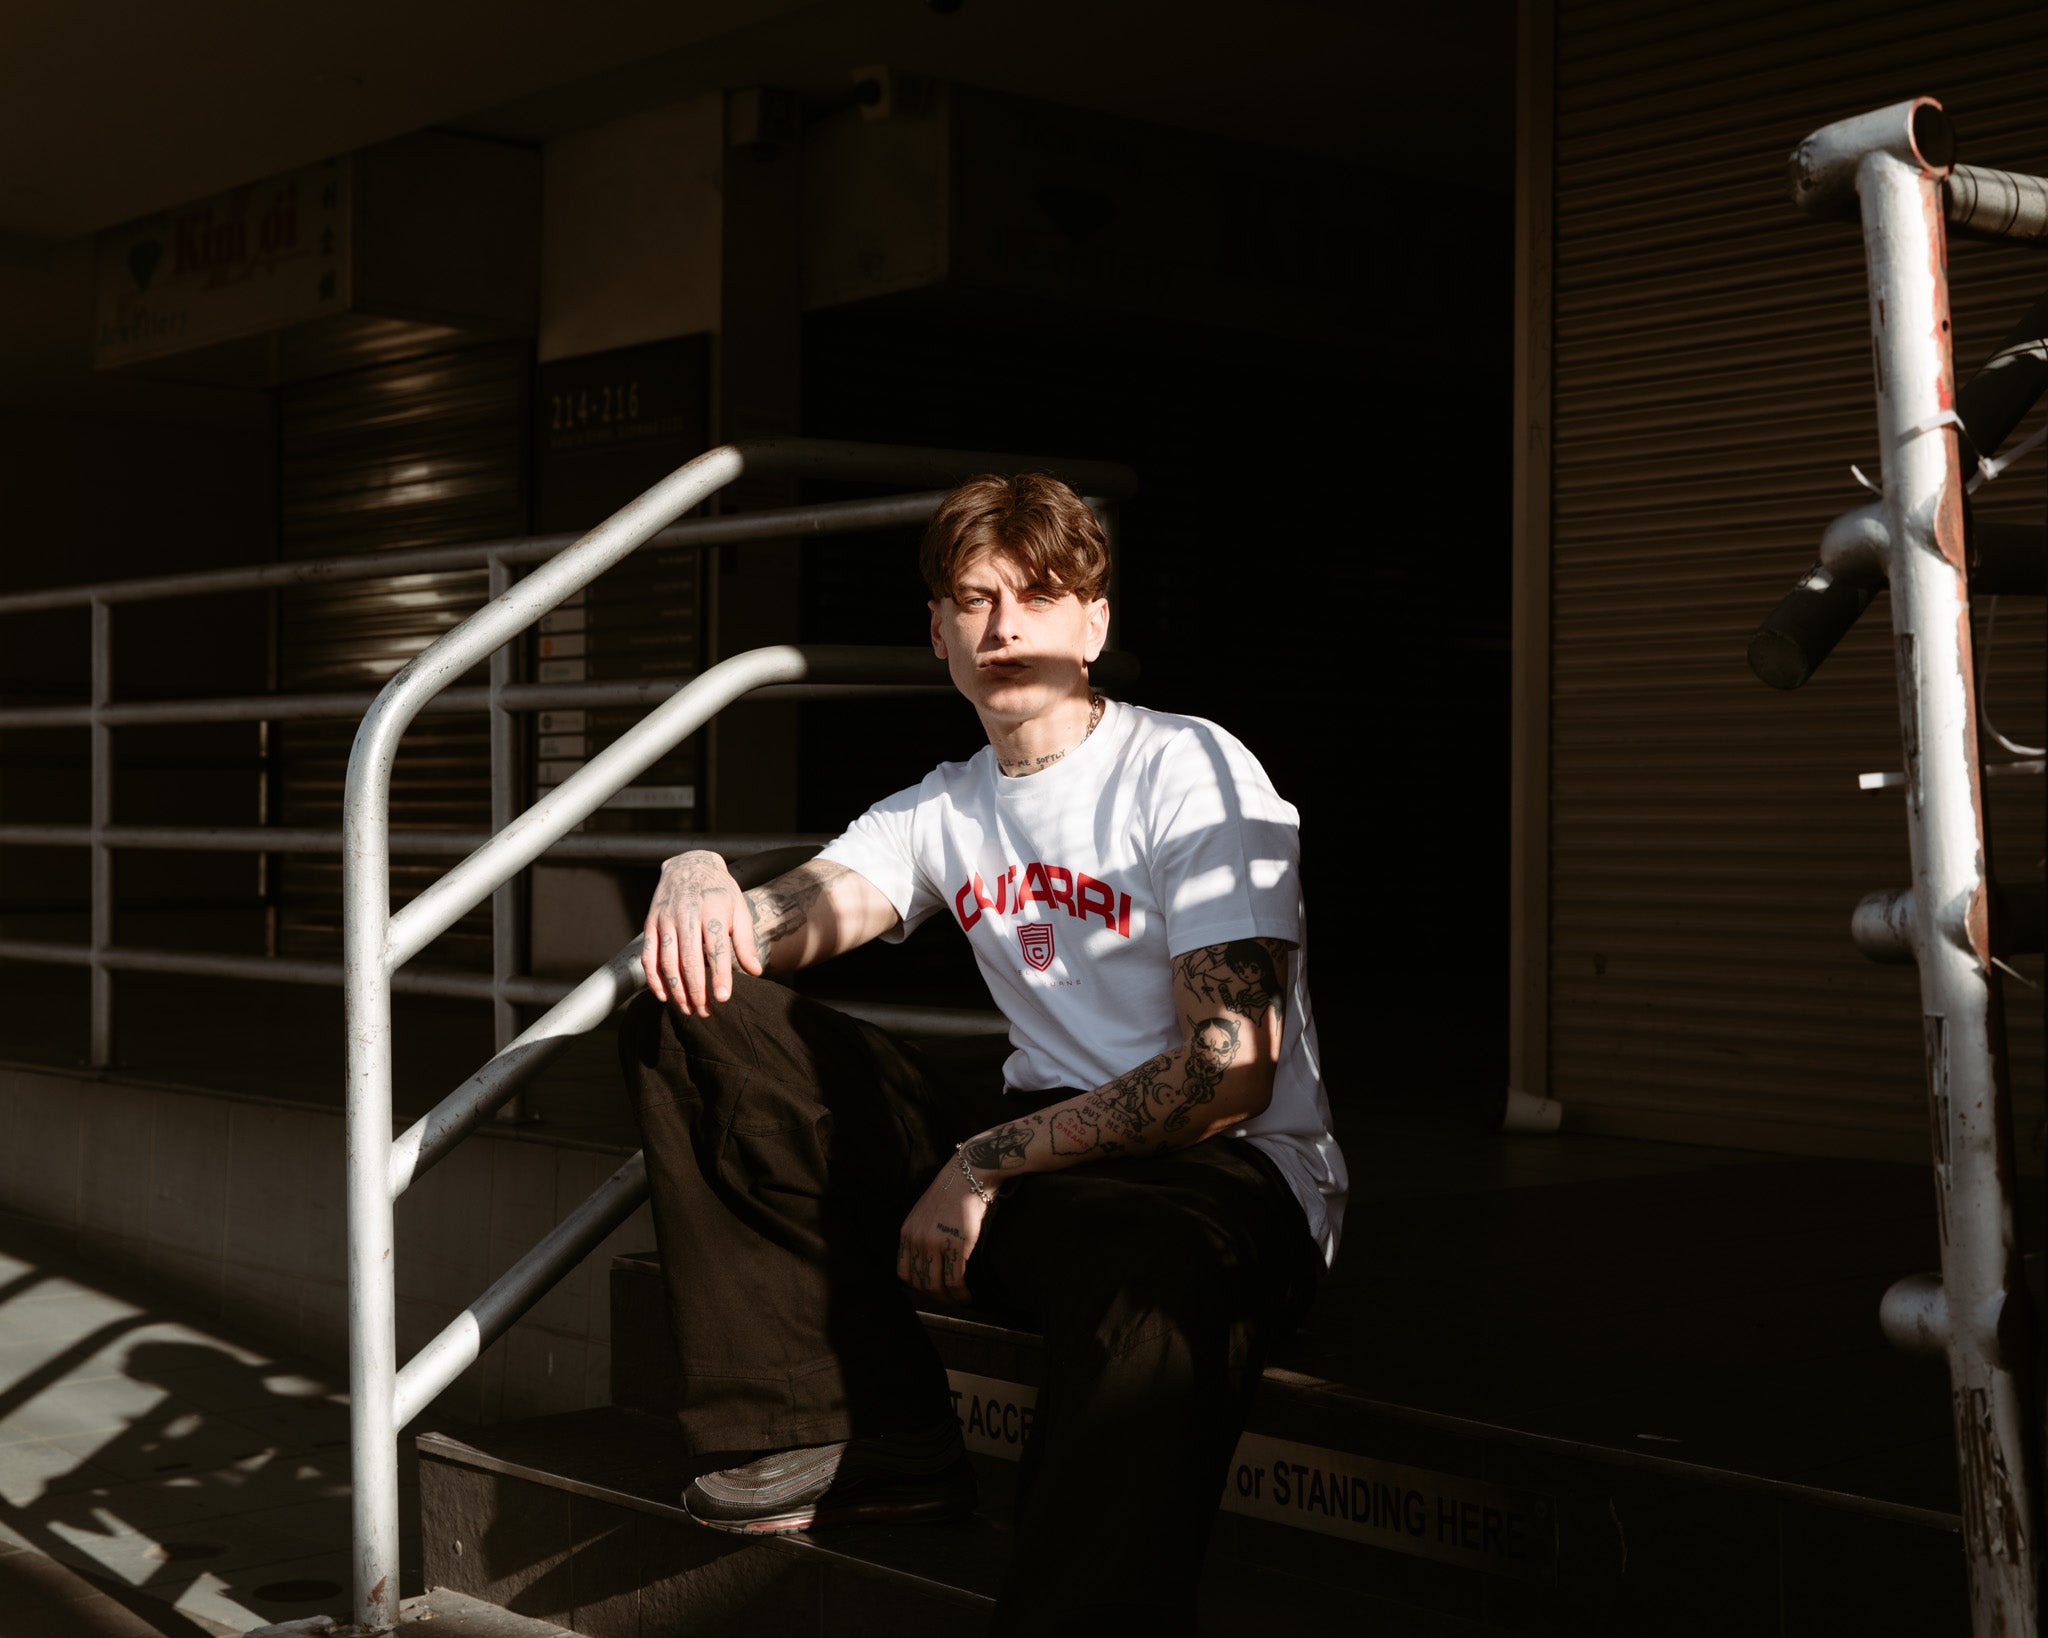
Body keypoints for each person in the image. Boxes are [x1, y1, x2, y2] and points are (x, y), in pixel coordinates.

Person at [618, 471, 1345, 1634]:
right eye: (973, 600)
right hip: (1041, 1157)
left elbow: (1228, 1072)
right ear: (939, 636)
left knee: (1149, 1273)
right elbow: (800, 912)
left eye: (1039, 597)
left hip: (1224, 1172)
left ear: (1094, 625)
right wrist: (701, 878)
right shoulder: (944, 807)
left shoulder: (1191, 769)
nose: (1004, 628)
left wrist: (980, 1164)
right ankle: (848, 1436)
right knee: (690, 1005)